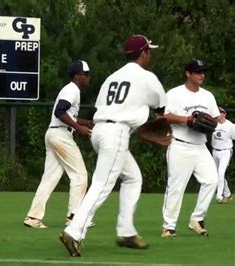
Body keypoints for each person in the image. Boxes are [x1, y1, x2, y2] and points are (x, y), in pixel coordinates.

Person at [60, 35, 166, 257]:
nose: (150, 55)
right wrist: (157, 131)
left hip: (100, 131)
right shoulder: (147, 78)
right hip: (115, 133)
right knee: (101, 184)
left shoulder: (112, 77)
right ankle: (74, 230)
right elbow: (161, 111)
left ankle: (126, 231)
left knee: (133, 177)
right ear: (144, 53)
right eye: (149, 51)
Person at [23, 60, 92, 229]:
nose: (89, 77)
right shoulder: (72, 90)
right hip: (61, 135)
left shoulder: (71, 89)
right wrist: (79, 128)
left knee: (50, 178)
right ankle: (74, 217)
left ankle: (33, 217)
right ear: (77, 76)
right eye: (86, 74)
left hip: (54, 133)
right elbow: (59, 111)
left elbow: (67, 114)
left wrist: (87, 122)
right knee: (80, 175)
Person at [161, 59, 220, 238]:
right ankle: (169, 226)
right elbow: (166, 116)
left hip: (200, 146)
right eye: (198, 72)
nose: (202, 75)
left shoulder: (207, 96)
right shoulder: (174, 94)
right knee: (176, 187)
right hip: (180, 144)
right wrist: (187, 120)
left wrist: (207, 123)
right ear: (188, 73)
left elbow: (215, 119)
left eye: (203, 72)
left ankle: (197, 218)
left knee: (211, 180)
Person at [211, 107, 234, 204]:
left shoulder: (231, 126)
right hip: (215, 151)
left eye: (220, 113)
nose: (218, 115)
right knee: (218, 174)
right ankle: (227, 193)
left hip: (225, 151)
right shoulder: (213, 124)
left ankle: (219, 196)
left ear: (224, 114)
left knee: (220, 173)